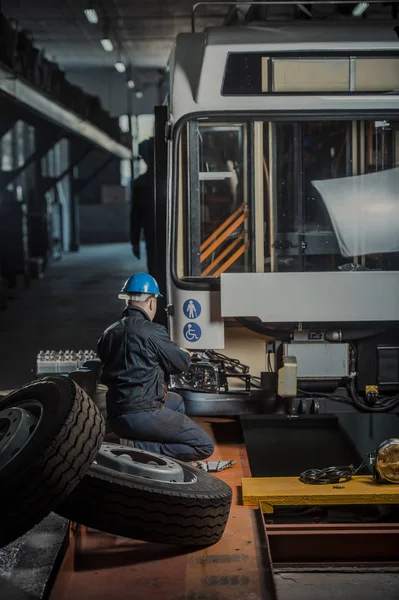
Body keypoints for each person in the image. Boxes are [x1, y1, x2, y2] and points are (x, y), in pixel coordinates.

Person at [97, 273, 214, 462]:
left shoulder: (109, 333)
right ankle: (137, 447)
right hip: (143, 412)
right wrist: (184, 352)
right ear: (152, 302)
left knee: (175, 401)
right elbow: (180, 364)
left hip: (116, 413)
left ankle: (148, 443)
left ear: (127, 301)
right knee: (204, 446)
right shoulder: (154, 332)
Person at [130, 138, 155, 274]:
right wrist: (135, 242)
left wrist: (135, 242)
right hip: (152, 233)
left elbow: (135, 215)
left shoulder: (141, 183)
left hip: (152, 232)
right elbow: (135, 215)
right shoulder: (141, 183)